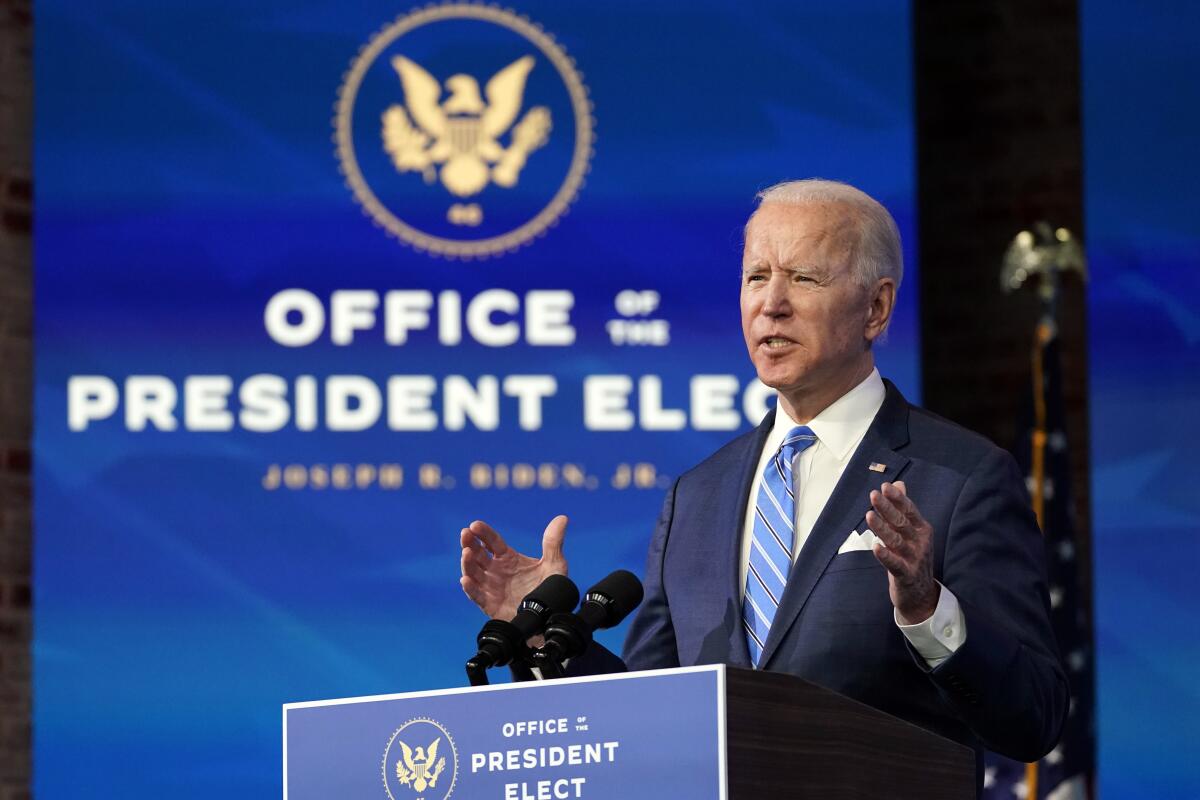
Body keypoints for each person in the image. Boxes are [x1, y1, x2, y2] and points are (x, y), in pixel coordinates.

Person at [459, 179, 1068, 778]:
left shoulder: (961, 478)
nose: (771, 303)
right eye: (757, 277)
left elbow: (1034, 716)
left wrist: (928, 611)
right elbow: (648, 712)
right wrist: (541, 637)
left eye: (803, 277)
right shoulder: (696, 496)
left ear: (876, 308)